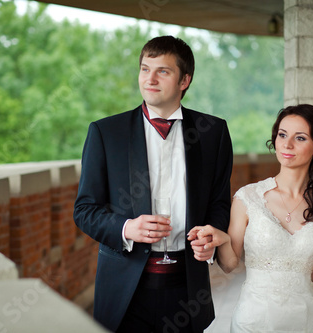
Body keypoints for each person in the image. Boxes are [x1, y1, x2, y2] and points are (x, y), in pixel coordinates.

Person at [73, 35, 233, 333]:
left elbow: (219, 202)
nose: (150, 78)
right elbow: (84, 209)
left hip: (187, 290)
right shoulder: (106, 132)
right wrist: (126, 228)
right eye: (145, 69)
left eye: (163, 71)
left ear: (184, 80)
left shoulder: (213, 132)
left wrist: (210, 234)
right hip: (126, 292)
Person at [188, 104, 313, 332]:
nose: (287, 144)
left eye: (300, 138)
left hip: (304, 321)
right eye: (282, 135)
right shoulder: (248, 197)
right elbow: (229, 264)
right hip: (253, 321)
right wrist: (222, 239)